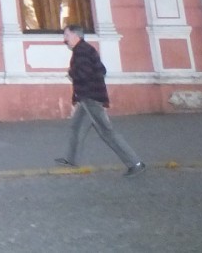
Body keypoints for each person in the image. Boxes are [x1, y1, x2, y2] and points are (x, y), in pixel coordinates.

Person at [56, 24, 145, 176]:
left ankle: (135, 163)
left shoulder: (82, 51)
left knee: (107, 132)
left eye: (67, 35)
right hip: (88, 97)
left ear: (76, 35)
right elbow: (101, 70)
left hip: (91, 98)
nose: (65, 39)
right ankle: (72, 160)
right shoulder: (85, 49)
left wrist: (72, 73)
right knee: (76, 127)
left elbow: (84, 75)